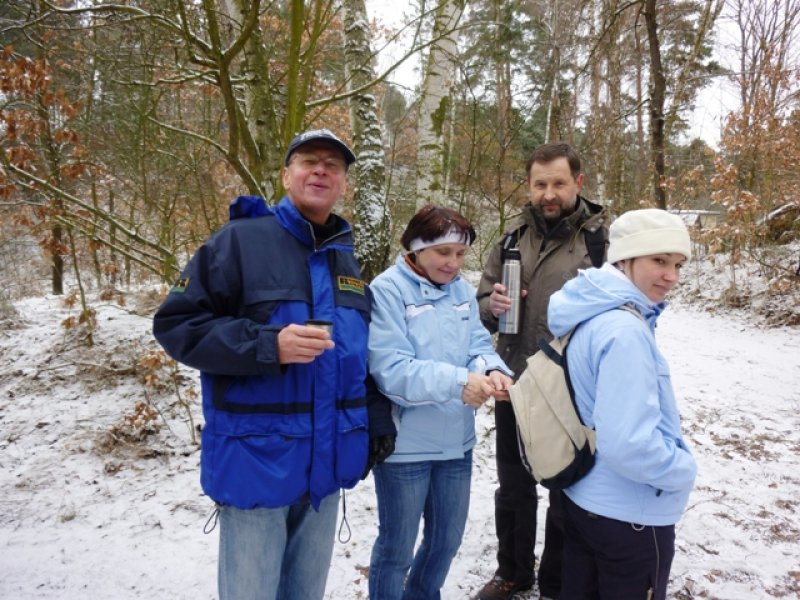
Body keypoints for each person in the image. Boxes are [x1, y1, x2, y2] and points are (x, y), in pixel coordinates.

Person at [152, 128, 395, 600]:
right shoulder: (239, 241)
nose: (321, 169)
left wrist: (373, 416)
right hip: (256, 462)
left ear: (344, 184)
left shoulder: (345, 259)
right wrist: (269, 345)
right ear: (287, 175)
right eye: (308, 160)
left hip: (324, 466)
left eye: (333, 164)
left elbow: (355, 354)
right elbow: (177, 325)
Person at [475, 142, 608, 600]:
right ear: (529, 186)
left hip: (571, 390)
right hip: (513, 380)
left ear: (578, 183)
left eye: (558, 183)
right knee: (513, 486)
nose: (549, 194)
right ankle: (513, 571)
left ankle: (556, 580)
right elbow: (479, 307)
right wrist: (490, 306)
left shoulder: (600, 243)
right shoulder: (511, 238)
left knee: (565, 485)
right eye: (540, 184)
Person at [547, 208, 698, 599]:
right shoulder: (624, 330)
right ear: (625, 259)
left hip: (586, 500)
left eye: (678, 264)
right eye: (659, 260)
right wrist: (681, 470)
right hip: (630, 515)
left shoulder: (591, 310)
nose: (672, 276)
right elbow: (629, 444)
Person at [368, 205, 514, 600]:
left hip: (456, 443)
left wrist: (491, 370)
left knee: (444, 542)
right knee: (396, 549)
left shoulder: (462, 292)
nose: (453, 263)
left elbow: (478, 346)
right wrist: (459, 382)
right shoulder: (387, 290)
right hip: (405, 448)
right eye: (443, 252)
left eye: (461, 254)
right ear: (416, 250)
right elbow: (391, 370)